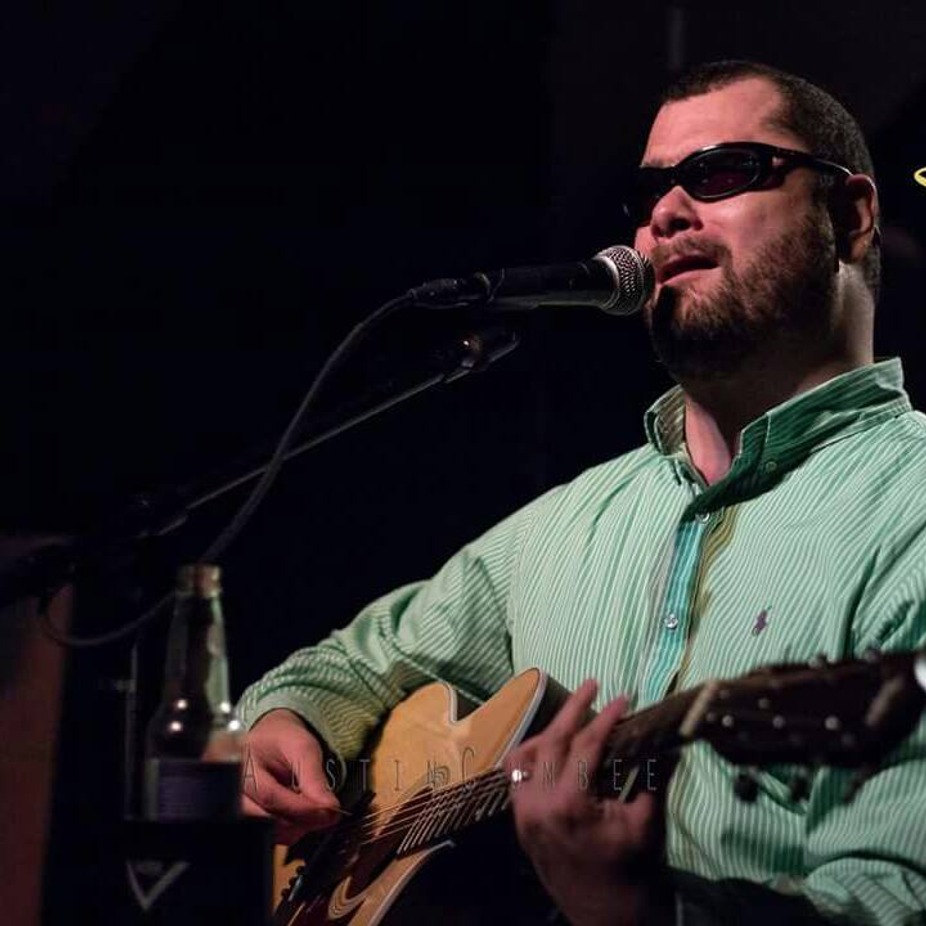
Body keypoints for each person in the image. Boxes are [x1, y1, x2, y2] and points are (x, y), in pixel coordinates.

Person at [237, 60, 926, 925]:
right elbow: (347, 666)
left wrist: (641, 915)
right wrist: (288, 723)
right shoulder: (564, 526)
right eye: (648, 194)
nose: (665, 214)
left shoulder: (911, 511)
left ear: (851, 216)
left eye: (721, 172)